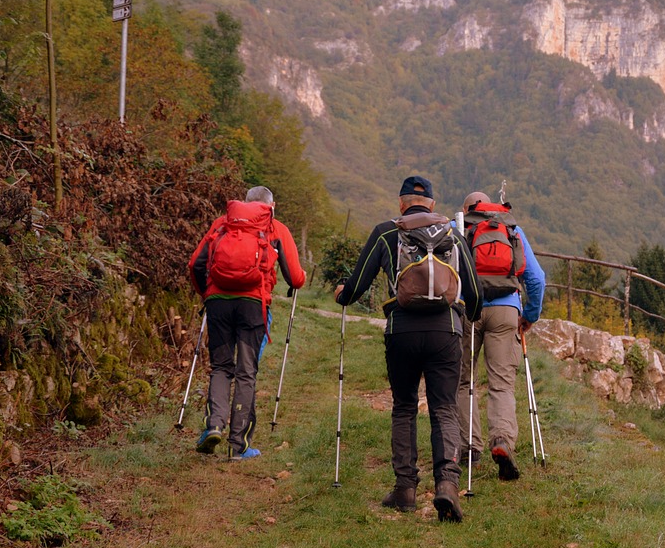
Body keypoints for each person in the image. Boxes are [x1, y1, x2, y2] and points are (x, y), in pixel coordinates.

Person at [334, 175, 481, 522]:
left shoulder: (387, 232)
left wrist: (343, 294)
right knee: (443, 407)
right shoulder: (452, 235)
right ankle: (447, 485)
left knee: (404, 407)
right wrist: (468, 318)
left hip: (401, 330)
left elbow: (357, 284)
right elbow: (474, 292)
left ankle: (405, 489)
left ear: (401, 203)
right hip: (446, 331)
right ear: (432, 204)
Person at [188, 186, 306, 459]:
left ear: (244, 202)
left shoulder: (222, 224)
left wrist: (207, 292)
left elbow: (196, 263)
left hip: (218, 302)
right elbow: (295, 278)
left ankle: (214, 425)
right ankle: (238, 446)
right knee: (246, 371)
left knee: (221, 366)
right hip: (253, 304)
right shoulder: (276, 228)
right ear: (271, 205)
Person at [456, 191, 546, 481]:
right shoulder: (511, 228)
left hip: (468, 309)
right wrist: (529, 315)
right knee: (502, 383)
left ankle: (470, 447)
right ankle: (502, 442)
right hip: (507, 310)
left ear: (467, 208)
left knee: (462, 380)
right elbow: (536, 278)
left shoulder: (458, 226)